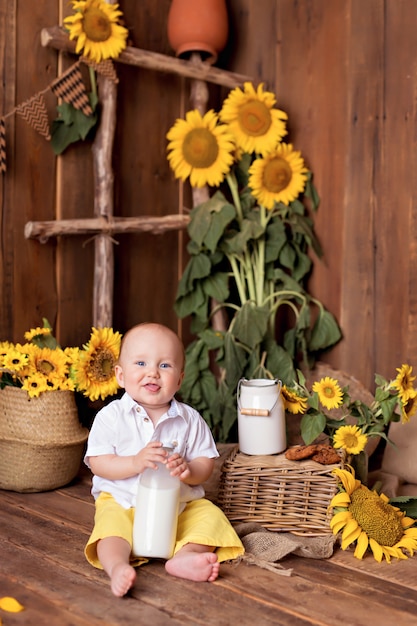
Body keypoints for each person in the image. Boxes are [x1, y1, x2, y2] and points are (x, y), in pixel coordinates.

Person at [84, 322, 244, 597]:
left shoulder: (189, 419)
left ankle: (185, 557)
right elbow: (98, 461)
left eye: (165, 366)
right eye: (141, 363)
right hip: (124, 500)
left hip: (178, 505)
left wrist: (188, 470)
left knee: (210, 517)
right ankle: (117, 566)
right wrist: (134, 462)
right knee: (110, 532)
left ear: (179, 380)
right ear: (120, 375)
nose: (152, 373)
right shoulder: (111, 417)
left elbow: (205, 463)